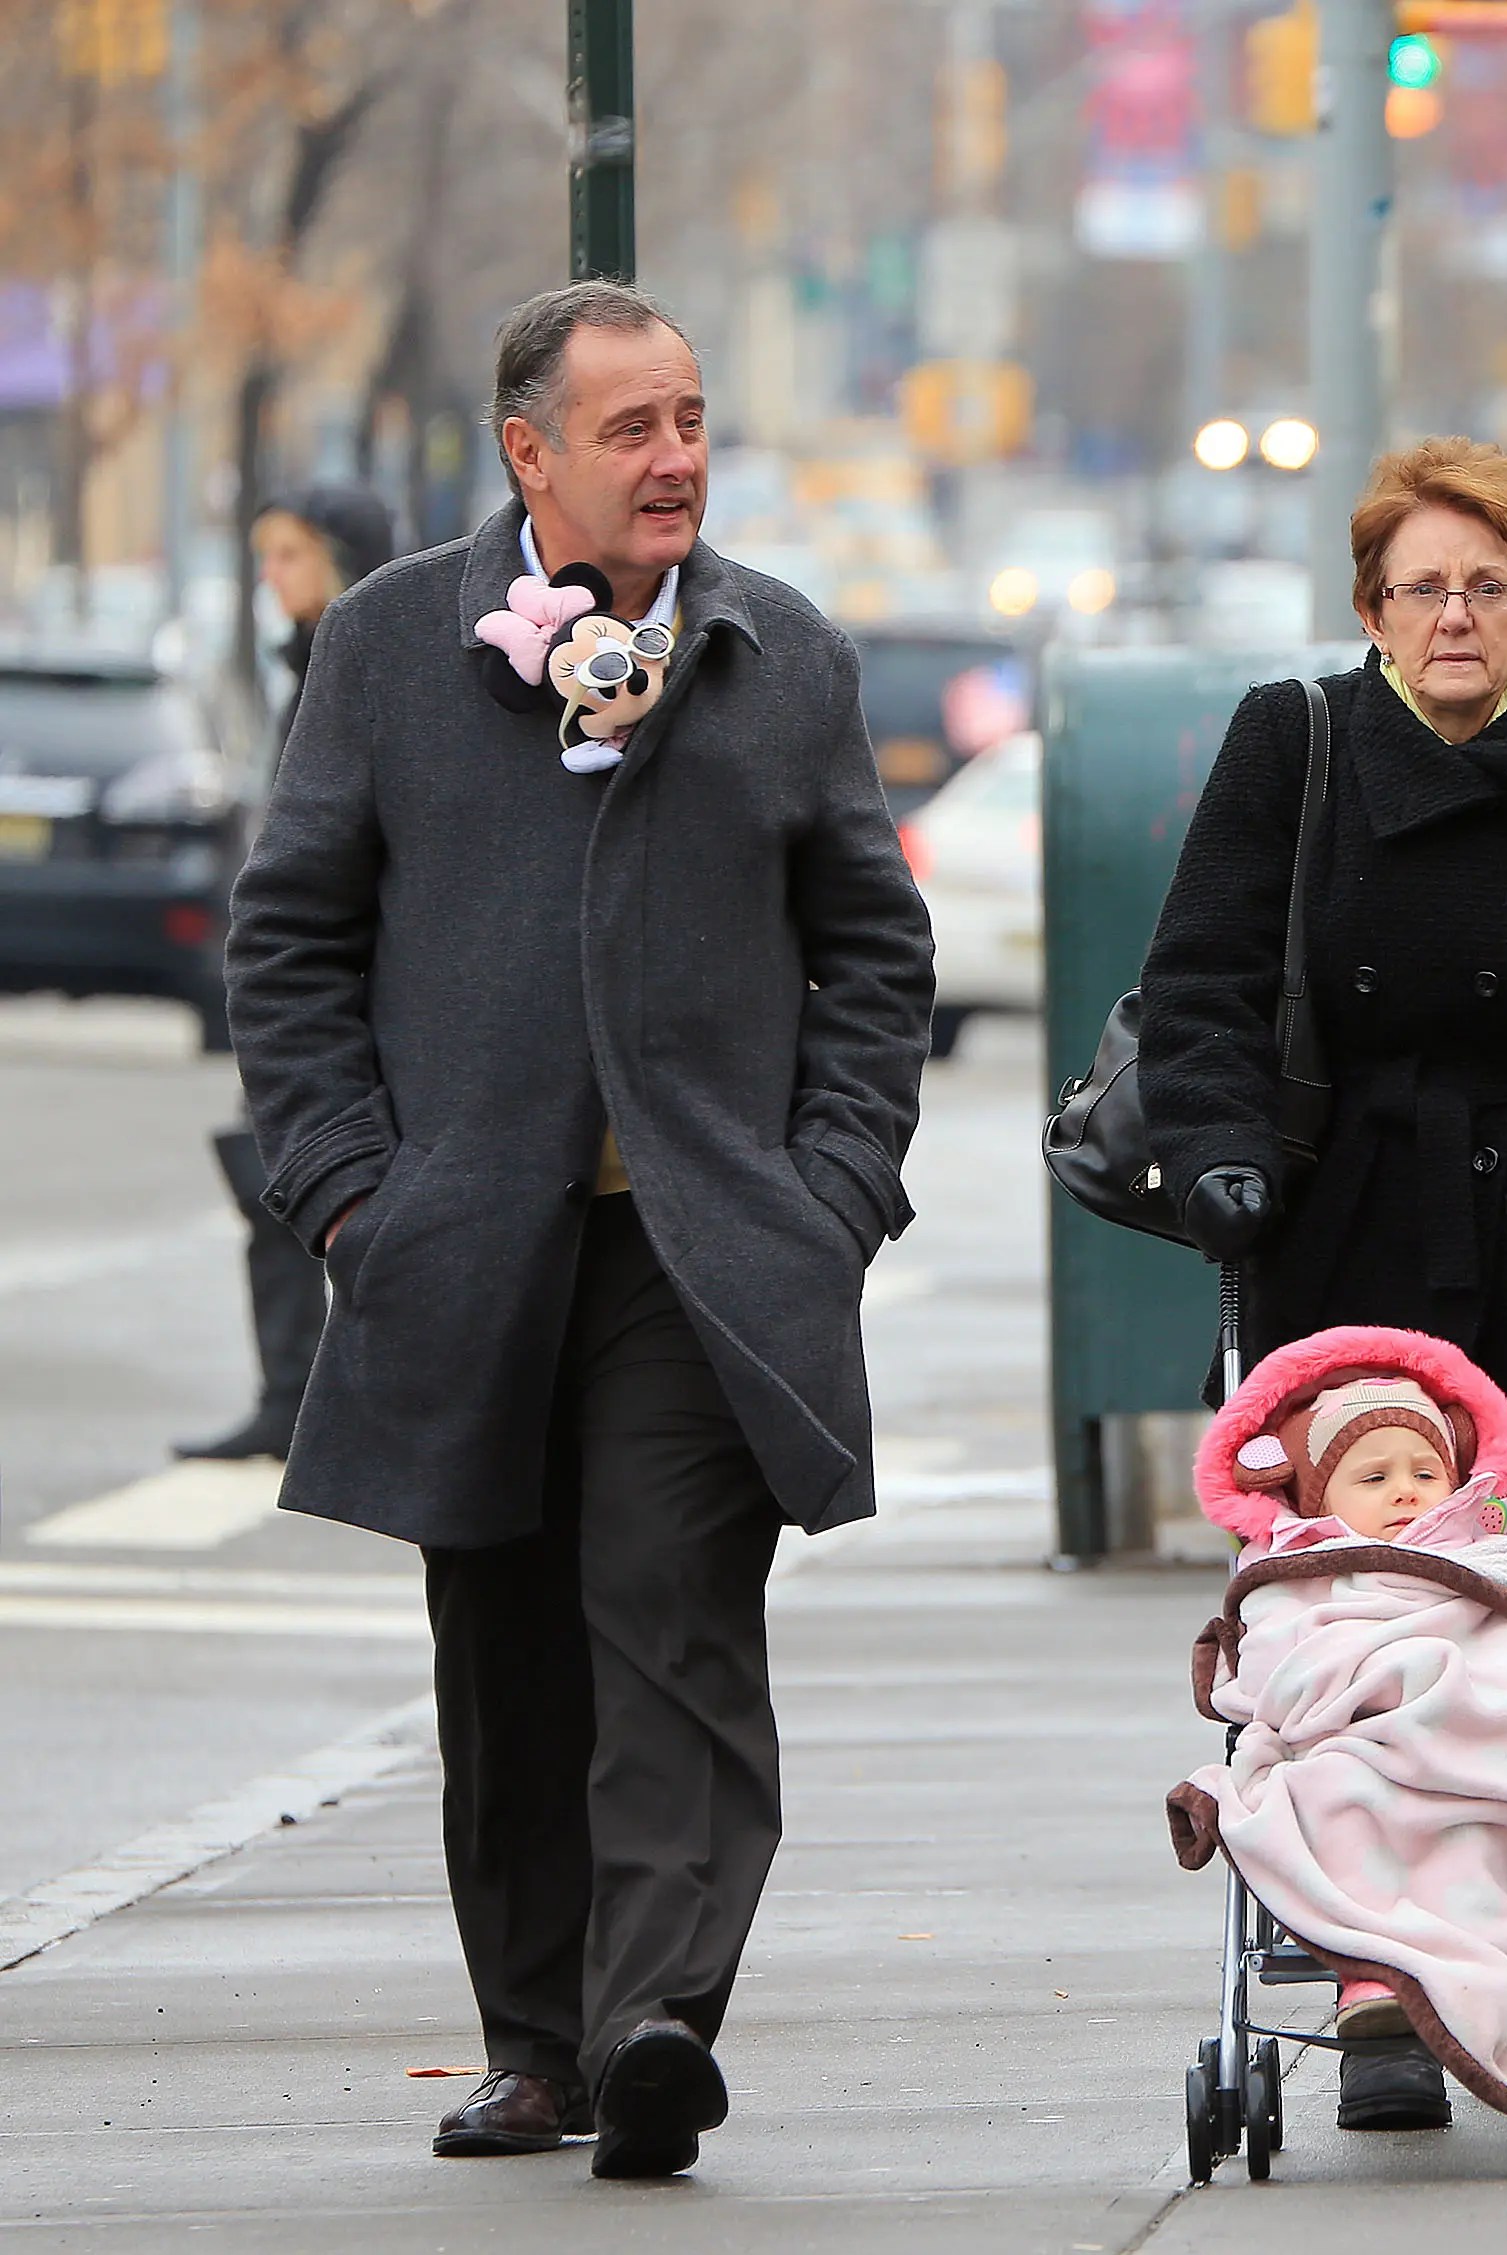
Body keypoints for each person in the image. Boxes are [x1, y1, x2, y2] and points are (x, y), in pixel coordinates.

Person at [225, 280, 934, 2179]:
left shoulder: (784, 654)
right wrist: (351, 1194)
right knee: (509, 1642)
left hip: (705, 1253)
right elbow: (290, 939)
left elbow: (874, 951)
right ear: (527, 451)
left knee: (675, 1612)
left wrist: (836, 1188)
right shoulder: (389, 646)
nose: (678, 456)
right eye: (633, 428)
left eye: (693, 418)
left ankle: (652, 2022)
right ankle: (534, 2039)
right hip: (465, 1240)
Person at [1136, 435, 1507, 2130]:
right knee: (1332, 1627)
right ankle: (1372, 1985)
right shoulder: (1293, 743)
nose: (1453, 614)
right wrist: (1219, 1147)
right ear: (1371, 610)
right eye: (1420, 588)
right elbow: (1206, 981)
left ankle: (1479, 1959)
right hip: (1333, 1252)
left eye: (1485, 584)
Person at [1171, 1326, 1507, 2120]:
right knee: (1331, 1787)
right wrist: (1340, 1693)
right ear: (1321, 1497)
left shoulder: (1488, 1556)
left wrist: (1454, 1689)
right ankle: (1380, 1969)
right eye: (1375, 1475)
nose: (1406, 1491)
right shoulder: (1300, 1566)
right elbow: (1277, 1671)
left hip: (1469, 1746)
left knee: (1489, 1763)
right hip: (1345, 1741)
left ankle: (1418, 1956)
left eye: (1426, 1471)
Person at [177, 485, 395, 1462]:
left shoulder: (373, 663)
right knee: (274, 1179)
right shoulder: (305, 662)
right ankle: (294, 1395)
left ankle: (341, 1402)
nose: (272, 578)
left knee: (330, 1183)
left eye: (290, 556)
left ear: (343, 560)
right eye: (264, 556)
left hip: (364, 978)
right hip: (305, 971)